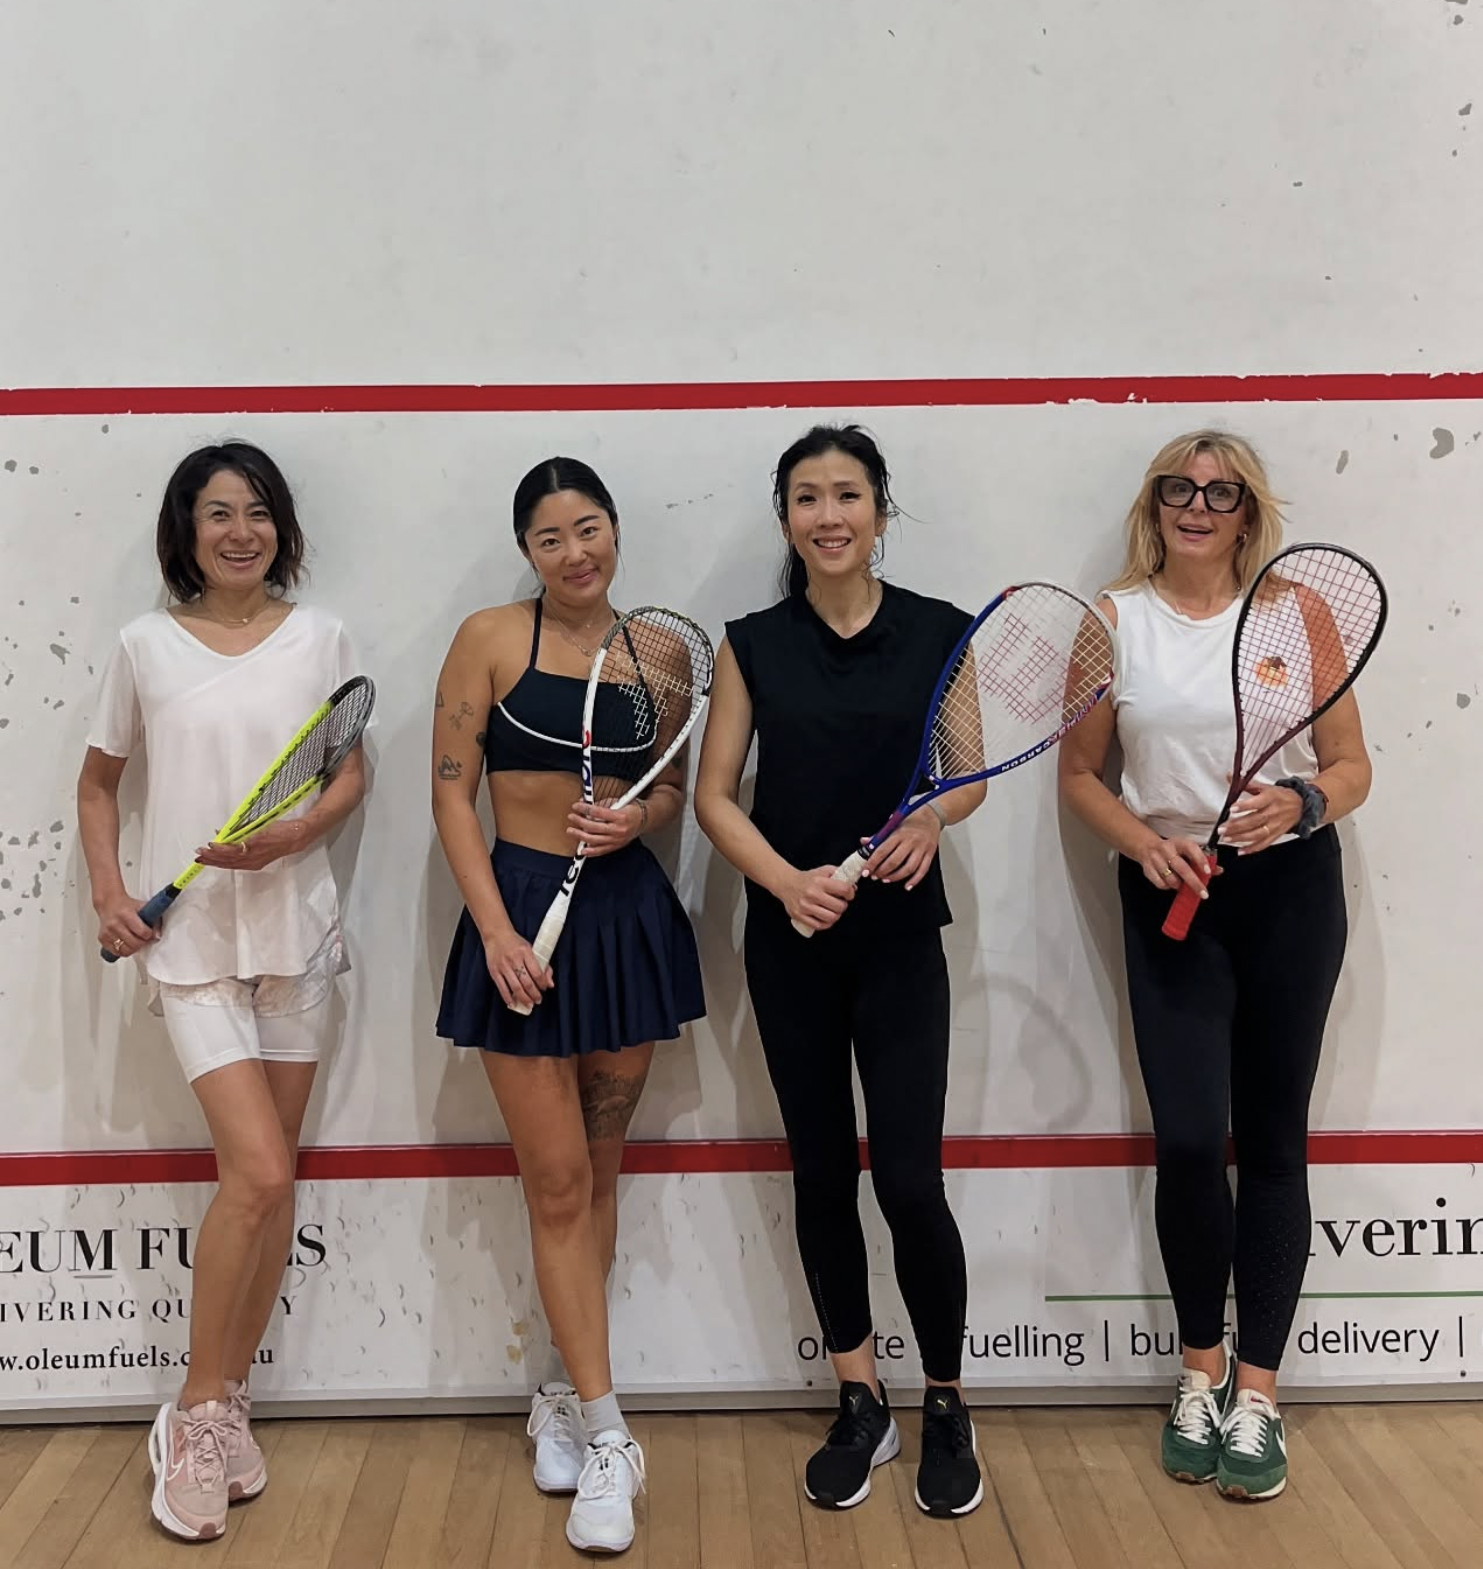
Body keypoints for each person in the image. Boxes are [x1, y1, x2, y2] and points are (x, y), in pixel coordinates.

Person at [1058, 430, 1373, 1501]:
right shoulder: (1110, 623)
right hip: (1167, 896)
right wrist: (1139, 840)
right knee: (1191, 1140)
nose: (1197, 504)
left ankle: (1257, 1396)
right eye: (1178, 489)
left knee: (1272, 1138)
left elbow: (1351, 762)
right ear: (1155, 504)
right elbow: (1080, 775)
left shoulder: (1299, 613)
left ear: (1247, 510)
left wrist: (1304, 801)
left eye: (1220, 490)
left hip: (1288, 895)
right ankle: (1194, 1376)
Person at [77, 442, 368, 1541]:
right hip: (188, 947)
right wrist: (110, 894)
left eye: (256, 512)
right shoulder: (143, 643)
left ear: (280, 527)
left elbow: (350, 766)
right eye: (216, 514)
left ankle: (229, 1394)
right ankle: (193, 1412)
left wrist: (309, 825)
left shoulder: (322, 636)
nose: (238, 531)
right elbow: (99, 780)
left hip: (297, 939)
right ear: (186, 532)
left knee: (274, 1184)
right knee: (252, 1171)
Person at [695, 424, 986, 1519]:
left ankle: (947, 1404)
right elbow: (719, 793)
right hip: (794, 944)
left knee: (909, 1181)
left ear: (879, 511)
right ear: (785, 519)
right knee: (822, 1174)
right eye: (807, 497)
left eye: (847, 494)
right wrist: (782, 881)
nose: (828, 514)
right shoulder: (751, 644)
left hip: (903, 941)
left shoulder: (942, 633)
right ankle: (858, 1398)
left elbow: (969, 778)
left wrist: (932, 819)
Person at [431, 456, 704, 1555]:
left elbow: (676, 782)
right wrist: (495, 928)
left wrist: (645, 822)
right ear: (527, 553)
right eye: (551, 538)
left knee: (597, 1175)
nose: (575, 552)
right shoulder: (489, 639)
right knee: (551, 1179)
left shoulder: (663, 651)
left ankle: (560, 1387)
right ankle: (606, 1433)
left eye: (589, 528)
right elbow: (452, 789)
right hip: (519, 920)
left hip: (625, 919)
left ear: (616, 530)